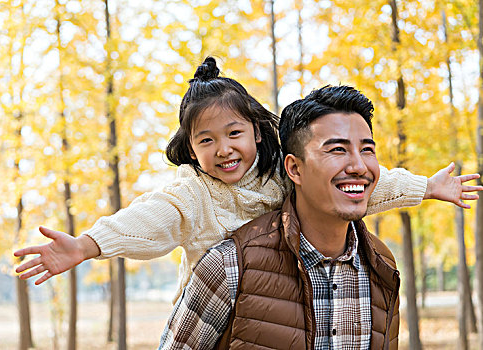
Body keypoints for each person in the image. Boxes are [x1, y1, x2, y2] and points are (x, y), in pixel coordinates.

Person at [14, 58, 480, 306]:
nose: (224, 149)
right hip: (213, 315)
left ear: (257, 131)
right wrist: (88, 245)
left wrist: (425, 188)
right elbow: (149, 220)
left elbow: (354, 185)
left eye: (234, 133)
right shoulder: (193, 195)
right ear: (191, 149)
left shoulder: (284, 176)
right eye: (206, 140)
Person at [159, 85, 481, 349]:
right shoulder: (229, 265)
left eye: (367, 149)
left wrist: (427, 186)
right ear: (294, 169)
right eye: (338, 150)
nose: (358, 166)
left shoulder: (382, 266)